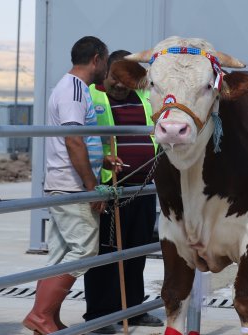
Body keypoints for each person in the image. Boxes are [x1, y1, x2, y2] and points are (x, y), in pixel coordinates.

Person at [22, 36, 108, 335]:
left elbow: (78, 138)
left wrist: (101, 161)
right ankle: (40, 315)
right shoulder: (73, 90)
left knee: (60, 255)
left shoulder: (73, 87)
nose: (106, 68)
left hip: (68, 184)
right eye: (106, 62)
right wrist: (91, 186)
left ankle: (48, 318)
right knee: (84, 250)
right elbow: (73, 139)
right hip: (72, 187)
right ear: (96, 59)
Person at [82, 50, 163, 333]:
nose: (119, 84)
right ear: (105, 73)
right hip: (110, 188)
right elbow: (82, 141)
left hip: (143, 188)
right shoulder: (92, 96)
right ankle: (100, 315)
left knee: (136, 251)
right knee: (105, 253)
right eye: (114, 78)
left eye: (124, 79)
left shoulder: (143, 96)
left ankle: (133, 309)